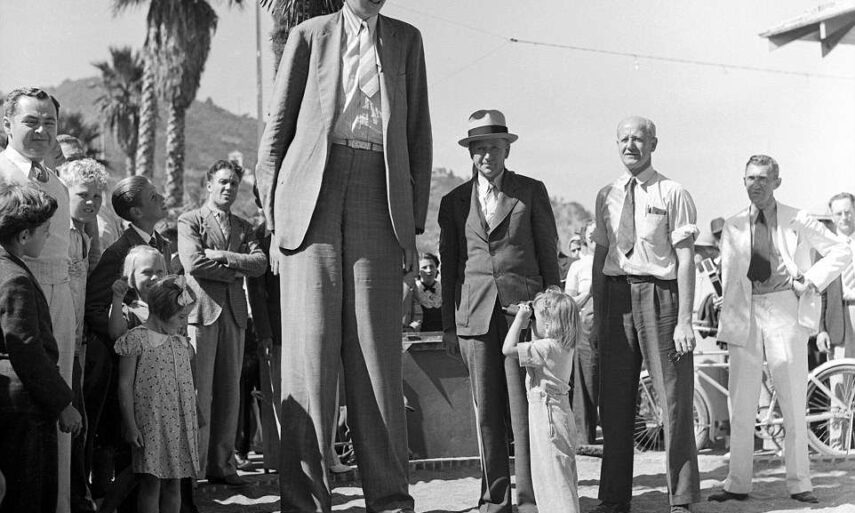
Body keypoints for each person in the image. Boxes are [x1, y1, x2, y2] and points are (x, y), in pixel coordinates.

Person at [254, 0, 431, 509]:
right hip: (312, 196)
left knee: (378, 356)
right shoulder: (310, 34)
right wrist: (274, 220)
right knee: (309, 356)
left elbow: (418, 134)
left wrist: (411, 228)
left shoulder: (407, 39)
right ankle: (305, 501)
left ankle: (391, 500)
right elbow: (277, 131)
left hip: (380, 194)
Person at [709, 155, 851, 505]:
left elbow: (840, 250)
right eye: (750, 178)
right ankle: (736, 483)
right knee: (741, 401)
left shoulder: (797, 218)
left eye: (763, 178)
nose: (756, 184)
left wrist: (811, 280)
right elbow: (730, 276)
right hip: (745, 314)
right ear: (743, 181)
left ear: (777, 182)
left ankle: (800, 483)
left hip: (785, 308)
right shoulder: (733, 225)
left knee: (792, 399)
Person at [439, 109, 559, 513]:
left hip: (522, 314)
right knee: (486, 412)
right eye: (479, 148)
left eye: (494, 147)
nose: (487, 155)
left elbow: (548, 254)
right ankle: (495, 498)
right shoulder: (453, 202)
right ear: (470, 153)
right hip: (473, 318)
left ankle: (529, 498)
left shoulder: (531, 191)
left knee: (524, 408)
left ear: (507, 150)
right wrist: (450, 326)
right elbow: (450, 265)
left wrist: (550, 311)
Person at [591, 116, 700, 513]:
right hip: (617, 298)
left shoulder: (673, 192)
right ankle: (613, 497)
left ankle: (682, 498)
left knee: (674, 400)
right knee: (615, 402)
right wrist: (598, 314)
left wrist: (684, 319)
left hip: (661, 297)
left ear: (653, 144)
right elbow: (601, 256)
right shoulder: (606, 194)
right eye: (623, 139)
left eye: (638, 138)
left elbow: (685, 259)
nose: (630, 145)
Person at [0, 87, 77, 513]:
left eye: (49, 122)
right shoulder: (1, 172)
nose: (42, 130)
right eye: (31, 121)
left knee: (60, 407)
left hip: (60, 298)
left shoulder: (56, 181)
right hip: (16, 297)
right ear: (7, 124)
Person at [83, 175, 173, 503]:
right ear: (135, 212)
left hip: (161, 366)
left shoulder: (162, 244)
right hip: (129, 369)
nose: (161, 198)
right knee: (131, 454)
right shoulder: (120, 252)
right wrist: (129, 333)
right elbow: (94, 306)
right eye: (153, 196)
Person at [178, 160, 266, 485]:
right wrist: (235, 272)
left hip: (235, 314)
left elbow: (260, 263)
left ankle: (223, 465)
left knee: (230, 393)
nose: (229, 188)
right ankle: (195, 468)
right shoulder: (190, 220)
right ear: (209, 184)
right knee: (199, 392)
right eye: (223, 182)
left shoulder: (244, 226)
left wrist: (224, 256)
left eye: (234, 184)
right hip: (201, 312)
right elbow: (193, 262)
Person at [115, 276, 200, 513]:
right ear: (163, 311)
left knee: (174, 483)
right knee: (151, 483)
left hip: (178, 425)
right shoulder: (136, 339)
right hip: (151, 424)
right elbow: (124, 385)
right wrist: (131, 425)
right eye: (181, 317)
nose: (184, 323)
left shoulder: (181, 343)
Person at [57, 158, 109, 513]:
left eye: (96, 196)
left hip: (79, 343)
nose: (91, 202)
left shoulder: (86, 235)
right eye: (83, 195)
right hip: (61, 344)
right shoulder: (60, 235)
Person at [502, 287, 581, 513]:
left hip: (547, 416)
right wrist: (534, 317)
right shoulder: (562, 344)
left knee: (553, 478)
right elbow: (538, 339)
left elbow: (508, 349)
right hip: (558, 411)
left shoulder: (545, 348)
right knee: (559, 475)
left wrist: (520, 319)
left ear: (549, 322)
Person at [246, 185, 282, 473]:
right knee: (275, 397)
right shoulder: (258, 237)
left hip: (305, 327)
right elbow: (257, 293)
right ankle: (277, 458)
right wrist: (265, 333)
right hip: (276, 331)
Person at [565, 220, 598, 444]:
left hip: (614, 324)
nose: (595, 238)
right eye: (591, 234)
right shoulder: (578, 266)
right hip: (587, 327)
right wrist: (588, 294)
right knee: (586, 381)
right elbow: (568, 303)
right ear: (585, 238)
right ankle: (585, 439)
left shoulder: (616, 261)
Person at [817, 192, 855, 359]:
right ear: (832, 217)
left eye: (848, 212)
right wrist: (821, 330)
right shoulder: (825, 248)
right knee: (841, 373)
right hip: (837, 318)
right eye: (839, 214)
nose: (844, 218)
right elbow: (820, 293)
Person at [402, 253, 443, 332]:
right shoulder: (411, 290)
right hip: (419, 336)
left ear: (436, 269)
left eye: (432, 266)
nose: (429, 270)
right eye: (424, 267)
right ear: (418, 271)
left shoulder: (444, 290)